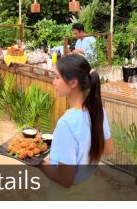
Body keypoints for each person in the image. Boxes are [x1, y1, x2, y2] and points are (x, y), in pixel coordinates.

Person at [38, 53, 112, 189]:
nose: (53, 82)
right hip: (89, 186)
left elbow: (66, 180)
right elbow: (108, 149)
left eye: (57, 77)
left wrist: (38, 163)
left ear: (73, 83)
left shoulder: (67, 123)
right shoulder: (97, 110)